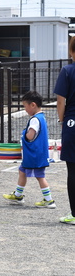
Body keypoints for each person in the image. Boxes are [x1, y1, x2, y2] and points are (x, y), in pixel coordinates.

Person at [3, 90, 55, 209]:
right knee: (22, 171)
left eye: (25, 106)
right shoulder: (42, 117)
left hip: (34, 155)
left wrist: (24, 135)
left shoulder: (34, 120)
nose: (25, 109)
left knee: (40, 176)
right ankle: (18, 194)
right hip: (38, 154)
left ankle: (49, 200)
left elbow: (30, 135)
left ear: (33, 105)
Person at [56, 37, 75, 224]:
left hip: (73, 123)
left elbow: (61, 101)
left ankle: (74, 214)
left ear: (71, 52)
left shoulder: (67, 71)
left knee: (73, 170)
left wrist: (62, 119)